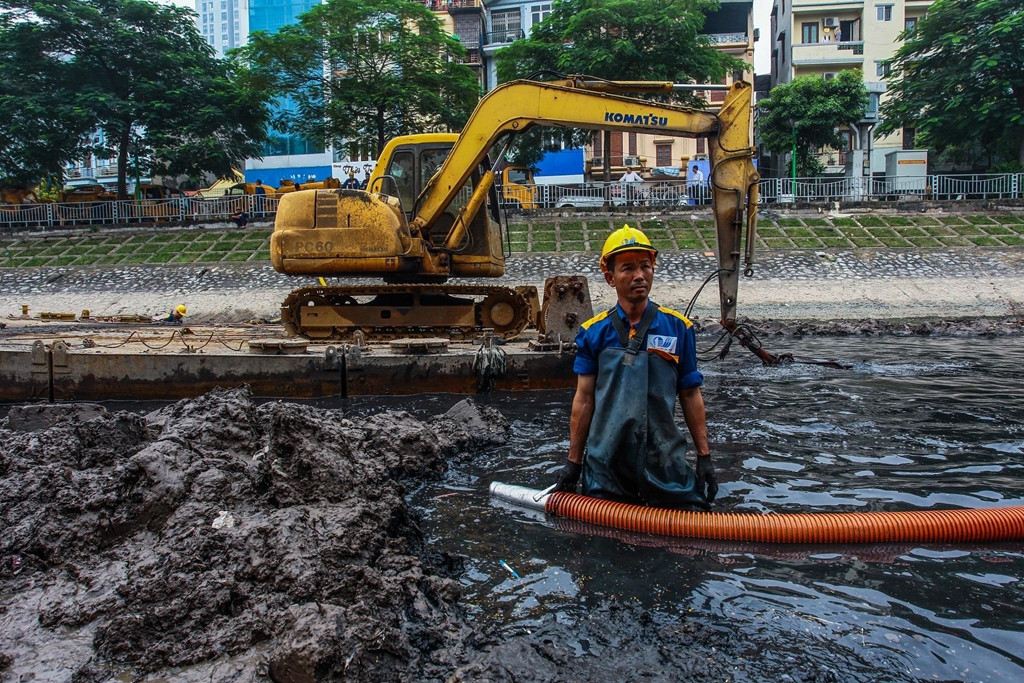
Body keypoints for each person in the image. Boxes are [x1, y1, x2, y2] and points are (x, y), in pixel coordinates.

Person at [552, 225, 718, 509]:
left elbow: (690, 394)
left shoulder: (679, 328)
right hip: (606, 468)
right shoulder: (593, 333)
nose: (639, 275)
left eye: (645, 266)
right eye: (627, 268)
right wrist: (573, 463)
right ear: (610, 277)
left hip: (665, 463)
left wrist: (704, 458)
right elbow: (584, 400)